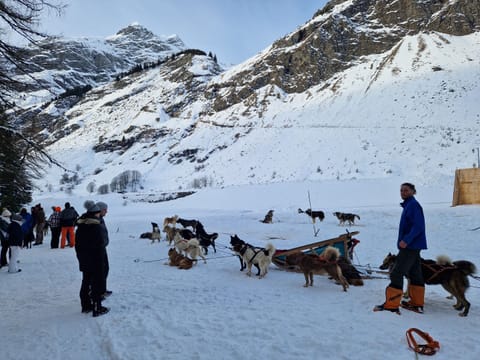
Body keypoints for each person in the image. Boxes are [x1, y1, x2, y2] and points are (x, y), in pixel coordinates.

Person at [374, 182, 427, 314]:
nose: (403, 192)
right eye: (401, 190)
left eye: (406, 190)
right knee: (415, 273)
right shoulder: (409, 205)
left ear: (413, 191)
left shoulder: (413, 205)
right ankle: (417, 304)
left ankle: (391, 305)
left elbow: (418, 226)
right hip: (414, 246)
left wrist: (406, 240)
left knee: (396, 273)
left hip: (410, 246)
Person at [75, 201, 109, 317]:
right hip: (95, 260)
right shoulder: (95, 226)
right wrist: (100, 262)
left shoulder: (81, 225)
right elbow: (99, 245)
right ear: (95, 213)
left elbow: (78, 245)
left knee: (86, 282)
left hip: (84, 259)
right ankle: (97, 308)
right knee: (96, 283)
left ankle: (86, 306)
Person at [96, 201, 112, 298]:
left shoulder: (101, 219)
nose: (106, 212)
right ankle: (98, 292)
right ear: (100, 210)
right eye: (105, 210)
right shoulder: (95, 220)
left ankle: (102, 289)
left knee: (105, 269)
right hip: (97, 250)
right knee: (100, 270)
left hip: (102, 248)